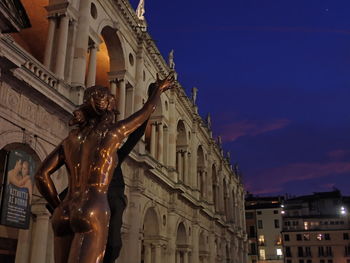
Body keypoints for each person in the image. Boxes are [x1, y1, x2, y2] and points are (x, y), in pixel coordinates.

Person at [35, 73, 174, 263]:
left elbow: (41, 175)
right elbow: (146, 111)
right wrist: (158, 90)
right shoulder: (111, 134)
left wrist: (57, 206)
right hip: (92, 208)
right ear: (108, 106)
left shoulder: (70, 140)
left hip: (64, 211)